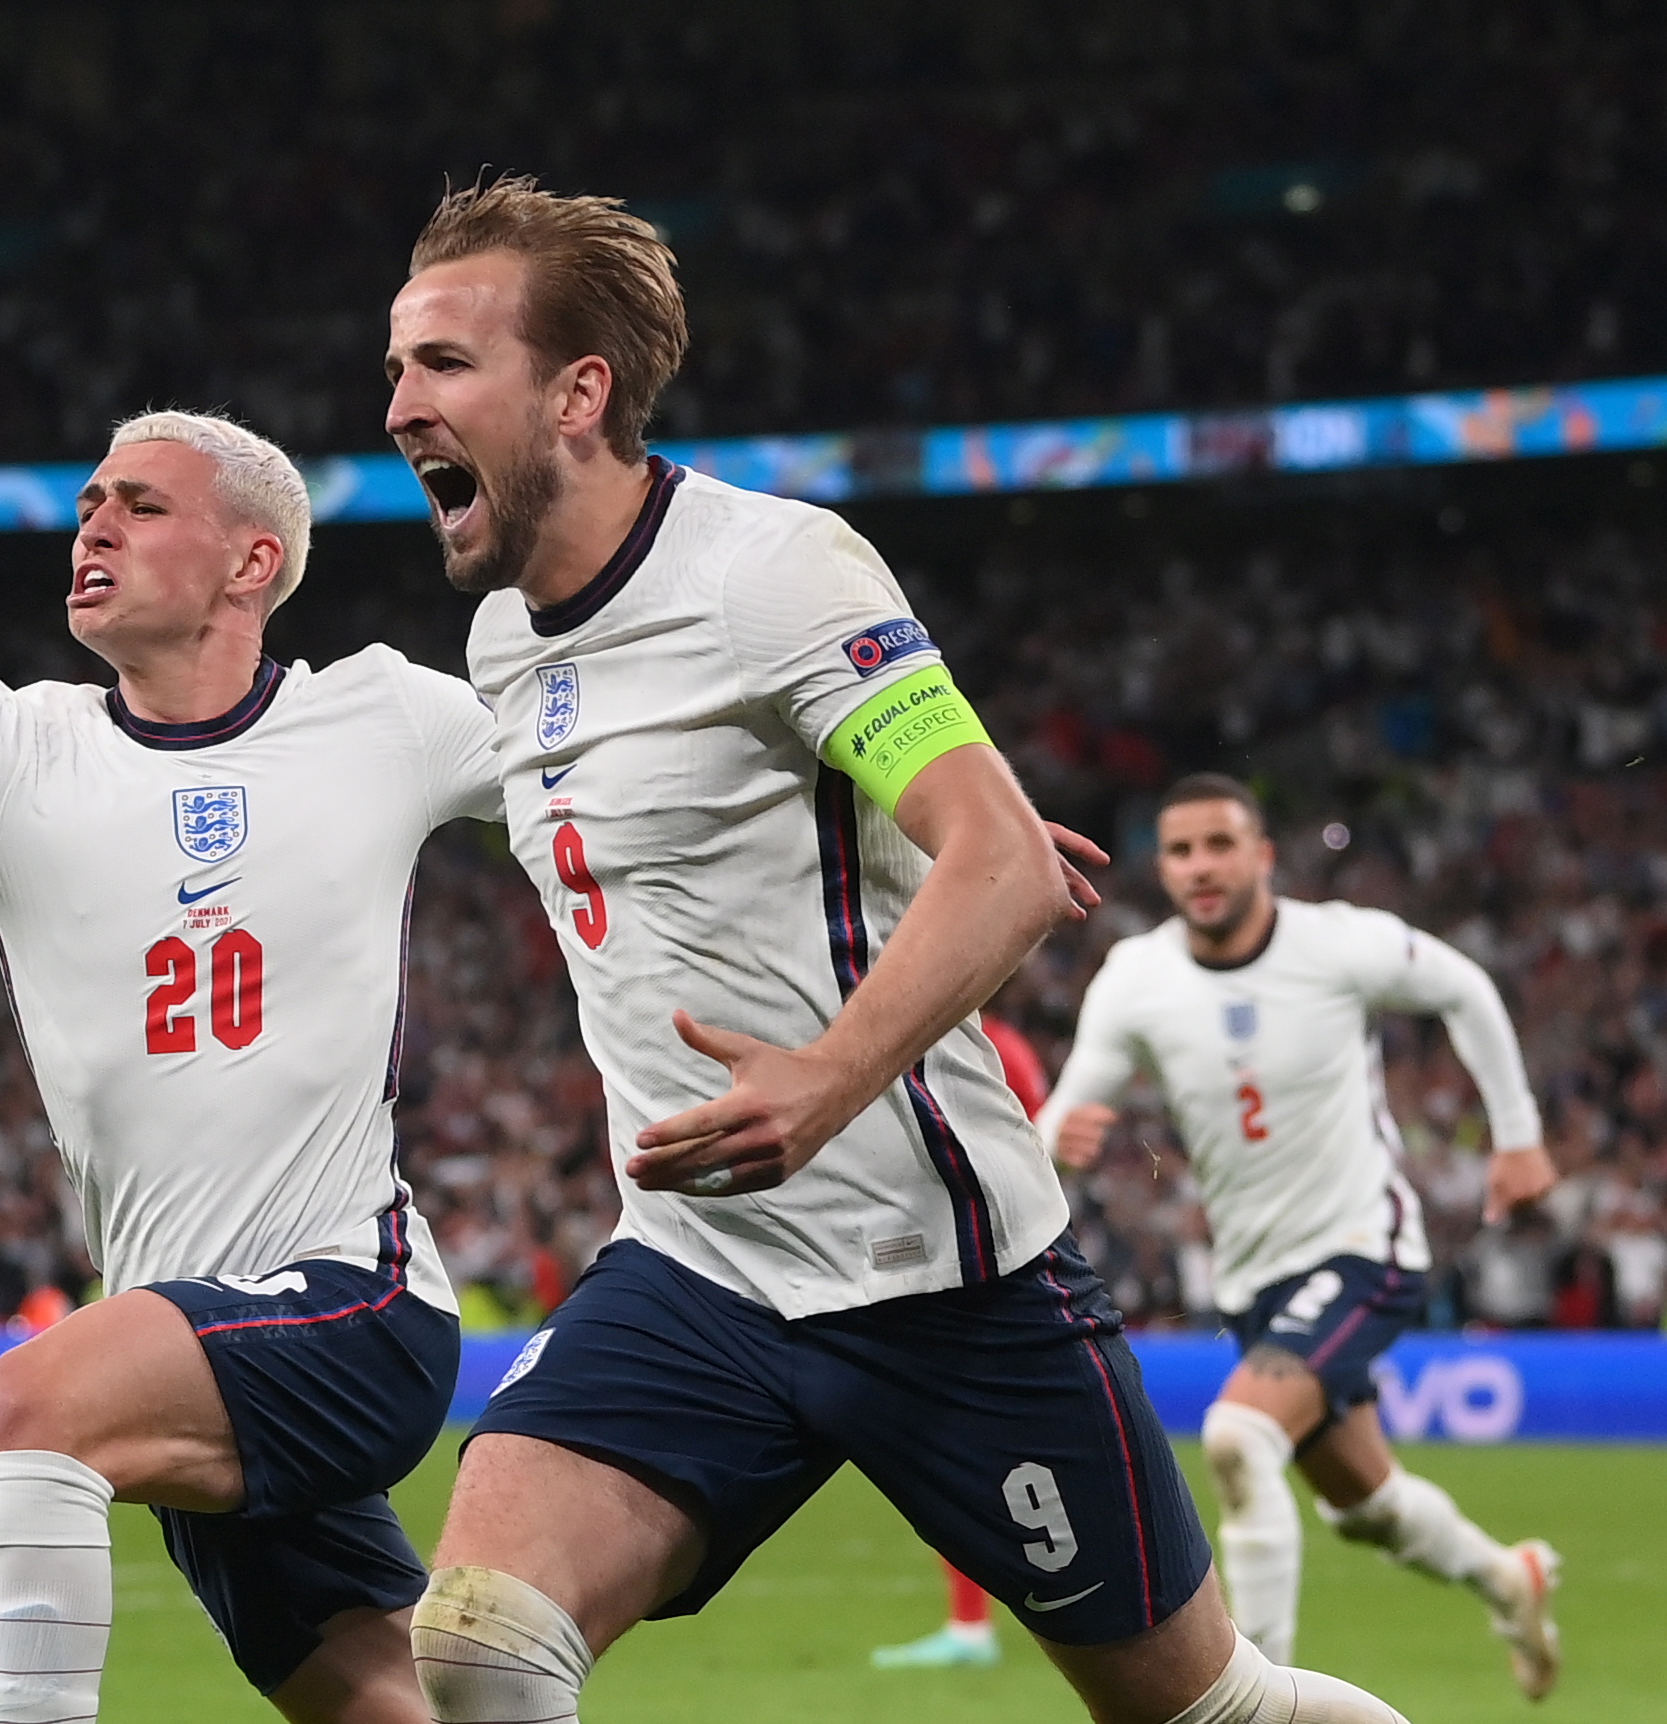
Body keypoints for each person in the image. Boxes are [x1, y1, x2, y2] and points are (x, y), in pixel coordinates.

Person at [380, 176, 1413, 1724]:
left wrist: (829, 1075)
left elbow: (999, 866)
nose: (399, 404)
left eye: (444, 364)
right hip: (700, 1273)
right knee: (474, 1641)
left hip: (941, 1279)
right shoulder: (504, 641)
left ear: (579, 392)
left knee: (1206, 1711)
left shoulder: (768, 571)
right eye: (396, 365)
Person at [0, 410, 497, 1724]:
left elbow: (592, 785)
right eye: (87, 503)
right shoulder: (6, 749)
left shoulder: (385, 717)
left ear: (251, 563)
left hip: (352, 1308)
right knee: (402, 1709)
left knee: (28, 1404)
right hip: (184, 1338)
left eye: (139, 504)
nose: (94, 525)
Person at [1037, 773, 1563, 1698]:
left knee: (1240, 1437)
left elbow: (1464, 987)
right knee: (1365, 1506)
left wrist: (1516, 1138)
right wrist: (1061, 1138)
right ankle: (1505, 1578)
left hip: (1361, 1246)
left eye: (1219, 845)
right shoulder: (1137, 979)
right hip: (1252, 1279)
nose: (1200, 867)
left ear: (1262, 856)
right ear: (1161, 867)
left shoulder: (1337, 944)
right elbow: (1066, 1122)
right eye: (1180, 851)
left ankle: (1253, 1705)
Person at [867, 1004, 1054, 1672]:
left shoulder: (994, 1048)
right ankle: (970, 1624)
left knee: (971, 1456)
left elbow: (1038, 1151)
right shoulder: (904, 1037)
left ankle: (994, 1620)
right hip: (931, 1275)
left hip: (986, 1278)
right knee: (943, 1456)